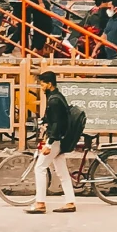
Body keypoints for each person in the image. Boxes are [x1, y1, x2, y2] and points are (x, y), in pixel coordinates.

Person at [26, 79, 83, 213]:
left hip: (55, 140)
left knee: (39, 168)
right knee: (62, 173)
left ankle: (40, 203)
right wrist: (43, 121)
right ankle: (70, 202)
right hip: (60, 140)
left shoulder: (54, 100)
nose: (41, 86)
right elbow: (55, 118)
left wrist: (49, 144)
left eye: (43, 84)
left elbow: (57, 123)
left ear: (50, 84)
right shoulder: (56, 96)